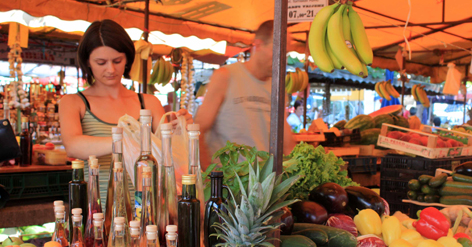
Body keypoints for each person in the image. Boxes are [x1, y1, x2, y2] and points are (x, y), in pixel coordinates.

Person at [59, 19, 192, 202]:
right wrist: (129, 140)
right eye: (101, 62)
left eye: (117, 61)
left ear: (127, 59)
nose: (111, 69)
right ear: (87, 62)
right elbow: (74, 146)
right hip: (98, 212)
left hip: (146, 210)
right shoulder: (74, 102)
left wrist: (179, 128)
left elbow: (164, 152)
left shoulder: (149, 103)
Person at [195, 20, 296, 167]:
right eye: (278, 51)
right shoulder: (225, 76)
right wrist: (208, 178)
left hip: (263, 187)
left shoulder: (278, 89)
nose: (283, 60)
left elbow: (286, 143)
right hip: (227, 185)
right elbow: (198, 131)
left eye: (285, 54)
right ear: (259, 45)